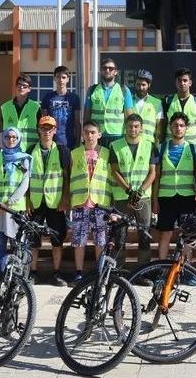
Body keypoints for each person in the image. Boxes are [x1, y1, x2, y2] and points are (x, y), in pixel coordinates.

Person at [109, 114, 158, 271]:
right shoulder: (115, 145)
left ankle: (142, 273)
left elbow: (153, 172)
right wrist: (129, 190)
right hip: (122, 197)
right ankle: (118, 272)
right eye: (130, 126)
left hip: (143, 198)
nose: (133, 129)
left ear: (141, 128)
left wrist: (140, 191)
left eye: (136, 126)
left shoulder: (150, 145)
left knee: (144, 235)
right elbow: (114, 171)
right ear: (125, 126)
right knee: (120, 236)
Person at [27, 116, 71, 286]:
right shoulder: (31, 150)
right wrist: (27, 201)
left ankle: (56, 274)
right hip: (36, 203)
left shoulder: (62, 150)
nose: (46, 132)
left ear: (55, 130)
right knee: (34, 240)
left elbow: (67, 177)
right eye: (43, 128)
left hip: (55, 202)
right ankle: (33, 273)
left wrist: (65, 199)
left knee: (57, 239)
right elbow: (26, 179)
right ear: (39, 130)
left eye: (50, 129)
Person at [68, 121, 113, 284]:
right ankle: (79, 272)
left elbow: (111, 178)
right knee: (79, 240)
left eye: (93, 132)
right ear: (82, 134)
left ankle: (99, 271)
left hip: (101, 204)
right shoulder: (75, 153)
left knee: (100, 240)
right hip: (81, 203)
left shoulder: (107, 153)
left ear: (99, 134)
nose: (89, 135)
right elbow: (69, 178)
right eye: (86, 132)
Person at [152, 112, 196, 259]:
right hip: (166, 198)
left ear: (186, 128)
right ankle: (162, 269)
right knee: (165, 233)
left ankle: (185, 270)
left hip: (188, 197)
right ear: (170, 128)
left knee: (188, 234)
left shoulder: (194, 149)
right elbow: (157, 176)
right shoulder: (160, 148)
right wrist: (155, 200)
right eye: (175, 125)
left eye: (181, 125)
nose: (178, 128)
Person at [0, 127, 32, 270]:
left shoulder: (24, 158)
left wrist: (10, 201)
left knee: (17, 245)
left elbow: (24, 183)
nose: (11, 139)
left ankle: (17, 277)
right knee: (0, 244)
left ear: (18, 139)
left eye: (14, 137)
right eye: (7, 137)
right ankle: (0, 276)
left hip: (14, 209)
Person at [83, 57, 134, 146]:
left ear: (115, 72)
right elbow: (87, 116)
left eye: (111, 68)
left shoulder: (124, 90)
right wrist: (85, 136)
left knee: (115, 160)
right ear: (101, 71)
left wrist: (129, 138)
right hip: (97, 135)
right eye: (104, 68)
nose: (107, 70)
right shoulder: (92, 90)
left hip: (118, 135)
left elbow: (129, 117)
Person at [163, 68, 196, 147]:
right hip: (171, 145)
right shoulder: (167, 101)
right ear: (176, 83)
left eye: (185, 80)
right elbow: (163, 124)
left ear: (190, 83)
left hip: (191, 145)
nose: (182, 83)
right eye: (179, 80)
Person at [40, 65, 82, 148]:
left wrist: (78, 142)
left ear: (68, 79)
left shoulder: (74, 98)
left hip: (69, 142)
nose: (61, 80)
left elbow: (77, 122)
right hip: (52, 142)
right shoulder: (48, 97)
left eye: (63, 77)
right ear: (54, 78)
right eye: (58, 77)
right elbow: (44, 122)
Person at [1, 74, 42, 151]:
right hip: (10, 150)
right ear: (15, 86)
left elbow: (40, 130)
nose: (21, 87)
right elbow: (1, 131)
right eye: (19, 85)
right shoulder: (4, 107)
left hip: (30, 150)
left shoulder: (36, 107)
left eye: (25, 86)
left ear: (29, 89)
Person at [132, 69, 164, 144]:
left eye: (143, 85)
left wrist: (157, 146)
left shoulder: (156, 102)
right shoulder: (128, 101)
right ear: (135, 84)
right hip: (131, 143)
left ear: (149, 85)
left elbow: (159, 128)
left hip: (149, 144)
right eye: (138, 84)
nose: (141, 88)